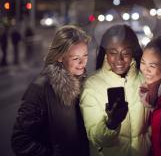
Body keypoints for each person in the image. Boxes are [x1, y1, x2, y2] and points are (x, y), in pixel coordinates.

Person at [11, 25, 90, 156]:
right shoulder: (40, 89)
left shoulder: (85, 83)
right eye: (75, 58)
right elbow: (20, 140)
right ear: (60, 57)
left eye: (85, 56)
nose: (82, 62)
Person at [80, 24, 151, 156]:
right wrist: (112, 124)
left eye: (126, 53)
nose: (119, 59)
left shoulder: (145, 80)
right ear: (105, 52)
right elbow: (95, 137)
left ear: (133, 53)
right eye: (113, 52)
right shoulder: (92, 86)